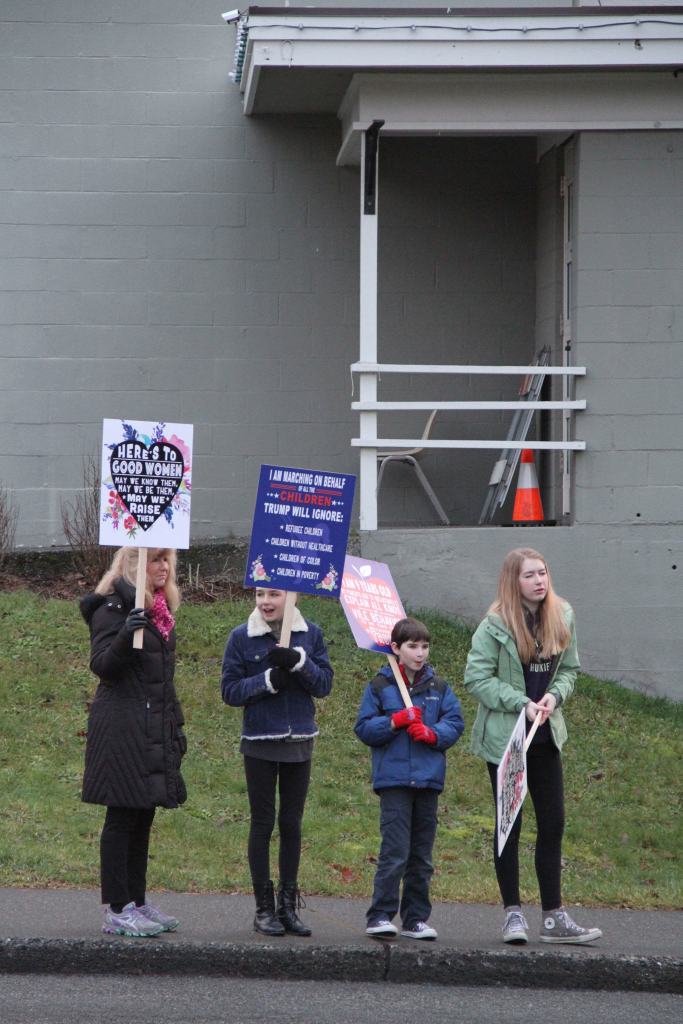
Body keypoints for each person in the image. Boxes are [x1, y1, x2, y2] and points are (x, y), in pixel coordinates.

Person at [463, 547, 602, 945]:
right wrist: (520, 703)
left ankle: (554, 917)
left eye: (542, 573)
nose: (539, 581)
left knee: (553, 822)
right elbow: (476, 679)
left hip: (545, 738)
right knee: (510, 826)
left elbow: (570, 670)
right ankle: (512, 915)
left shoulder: (564, 615)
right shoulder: (493, 626)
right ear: (513, 581)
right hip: (507, 742)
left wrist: (554, 698)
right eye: (529, 575)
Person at [79, 547, 187, 937]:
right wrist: (127, 634)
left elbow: (162, 681)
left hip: (152, 727)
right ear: (133, 565)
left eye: (166, 561)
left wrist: (176, 726)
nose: (163, 567)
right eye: (154, 560)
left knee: (144, 816)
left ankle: (138, 901)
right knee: (122, 816)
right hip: (121, 728)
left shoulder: (160, 613)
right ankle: (117, 908)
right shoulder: (112, 609)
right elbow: (104, 667)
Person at [220, 587, 333, 936]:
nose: (265, 601)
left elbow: (324, 685)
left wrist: (300, 663)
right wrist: (267, 680)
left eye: (274, 594)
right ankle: (263, 909)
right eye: (259, 594)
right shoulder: (242, 637)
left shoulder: (310, 634)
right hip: (260, 743)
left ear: (293, 596)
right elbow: (230, 691)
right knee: (262, 823)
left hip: (299, 740)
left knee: (291, 825)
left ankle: (287, 907)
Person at [355, 617, 464, 941]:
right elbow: (364, 728)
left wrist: (432, 734)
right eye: (412, 646)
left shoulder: (439, 688)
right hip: (395, 781)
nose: (420, 653)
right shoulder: (380, 686)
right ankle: (379, 915)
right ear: (396, 649)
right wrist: (396, 721)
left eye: (424, 646)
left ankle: (415, 918)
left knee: (421, 855)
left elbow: (455, 723)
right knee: (395, 850)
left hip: (428, 781)